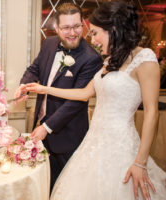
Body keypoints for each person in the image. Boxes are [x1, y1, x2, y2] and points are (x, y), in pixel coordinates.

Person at [26, 1, 166, 200]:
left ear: (112, 29)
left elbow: (151, 113)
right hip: (93, 142)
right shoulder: (110, 60)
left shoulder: (144, 58)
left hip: (120, 144)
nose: (92, 39)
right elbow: (84, 93)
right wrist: (44, 88)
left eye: (94, 32)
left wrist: (140, 162)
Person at [13, 3, 102, 192]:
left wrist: (47, 127)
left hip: (68, 137)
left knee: (67, 189)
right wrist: (24, 86)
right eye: (66, 28)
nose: (72, 33)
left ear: (83, 24)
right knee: (43, 184)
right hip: (41, 129)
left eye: (77, 26)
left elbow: (76, 102)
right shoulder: (49, 44)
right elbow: (34, 69)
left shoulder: (91, 58)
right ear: (56, 28)